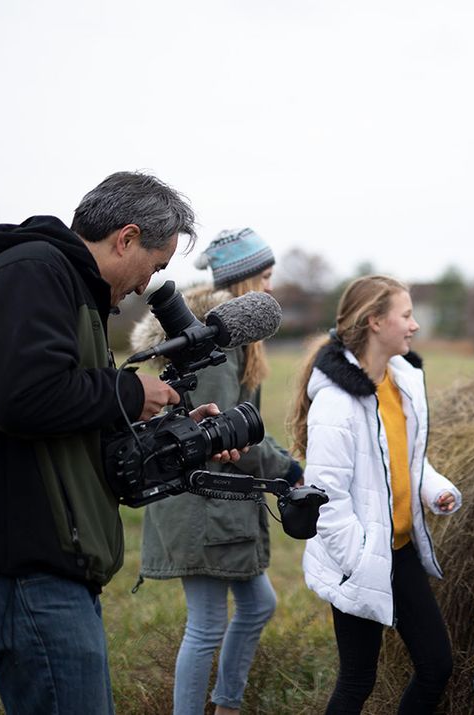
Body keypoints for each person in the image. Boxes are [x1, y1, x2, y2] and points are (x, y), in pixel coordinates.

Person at [0, 172, 212, 713]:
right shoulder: (32, 273)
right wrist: (130, 391)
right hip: (24, 579)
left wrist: (177, 433)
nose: (146, 284)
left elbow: (72, 426)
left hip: (45, 578)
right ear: (126, 238)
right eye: (156, 265)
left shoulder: (70, 290)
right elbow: (24, 399)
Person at [132, 228, 302, 715]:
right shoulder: (213, 342)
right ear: (243, 282)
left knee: (256, 605)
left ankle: (226, 705)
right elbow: (225, 430)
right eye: (265, 277)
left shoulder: (234, 339)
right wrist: (288, 470)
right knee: (206, 624)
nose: (271, 289)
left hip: (218, 500)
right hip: (198, 501)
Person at [290, 275, 462, 714]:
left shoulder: (401, 381)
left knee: (436, 665)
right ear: (374, 322)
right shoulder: (337, 401)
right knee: (357, 680)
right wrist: (362, 561)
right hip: (359, 558)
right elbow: (323, 500)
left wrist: (435, 489)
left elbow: (404, 461)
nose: (415, 325)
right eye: (406, 315)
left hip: (400, 549)